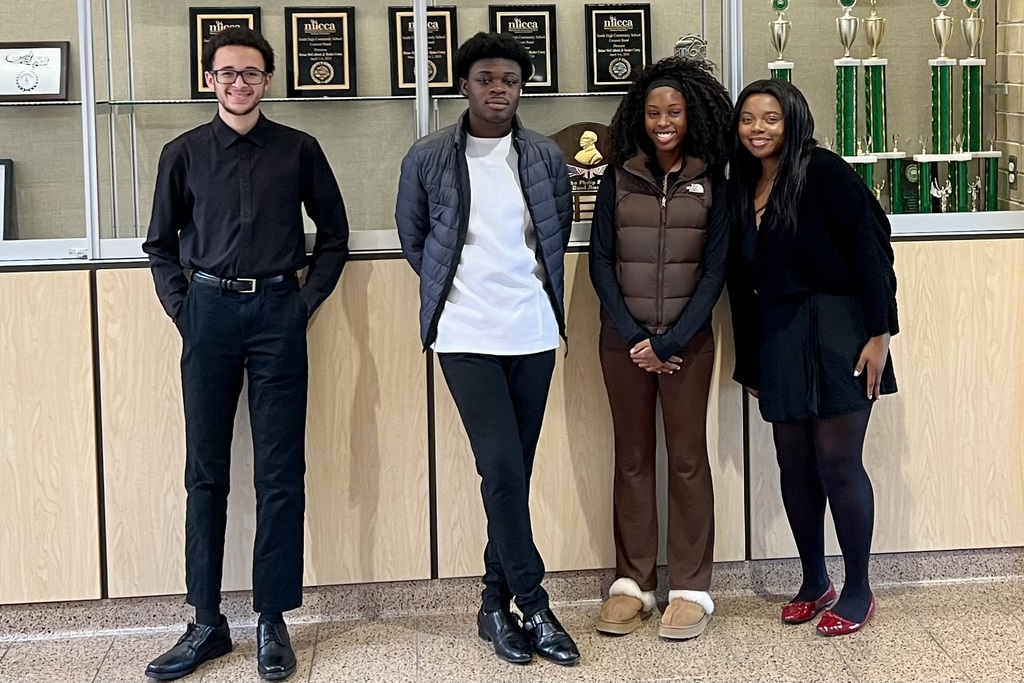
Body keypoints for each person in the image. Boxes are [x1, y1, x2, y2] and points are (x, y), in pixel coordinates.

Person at [142, 27, 349, 680]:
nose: (239, 83)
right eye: (227, 73)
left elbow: (335, 236)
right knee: (205, 472)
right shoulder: (183, 152)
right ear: (209, 80)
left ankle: (272, 617)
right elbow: (159, 244)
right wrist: (185, 309)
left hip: (276, 318)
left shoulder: (299, 150)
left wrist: (302, 304)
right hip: (207, 316)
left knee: (281, 472)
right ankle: (205, 620)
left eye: (251, 73)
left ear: (268, 79)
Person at [395, 31, 579, 667]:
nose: (497, 89)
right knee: (500, 468)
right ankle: (535, 603)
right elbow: (414, 239)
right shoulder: (427, 156)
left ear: (521, 87)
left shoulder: (545, 156)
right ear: (464, 86)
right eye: (484, 79)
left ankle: (493, 604)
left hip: (531, 331)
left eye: (508, 79)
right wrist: (458, 298)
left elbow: (558, 226)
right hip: (466, 334)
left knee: (515, 475)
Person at [726, 79, 898, 636]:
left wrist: (880, 334)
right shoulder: (740, 184)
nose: (758, 129)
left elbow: (871, 248)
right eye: (748, 118)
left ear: (793, 119)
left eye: (770, 118)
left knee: (838, 463)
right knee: (793, 465)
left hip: (840, 329)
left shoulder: (823, 170)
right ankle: (813, 580)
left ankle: (857, 589)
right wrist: (750, 361)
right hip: (777, 335)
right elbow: (738, 283)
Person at [588, 56, 733, 640]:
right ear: (639, 117)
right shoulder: (618, 176)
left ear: (690, 114)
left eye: (673, 111)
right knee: (632, 458)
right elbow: (600, 261)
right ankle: (634, 583)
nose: (663, 121)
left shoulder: (713, 181)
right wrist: (635, 338)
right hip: (622, 342)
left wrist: (670, 340)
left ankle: (692, 588)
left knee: (688, 459)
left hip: (687, 344)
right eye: (653, 112)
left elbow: (715, 270)